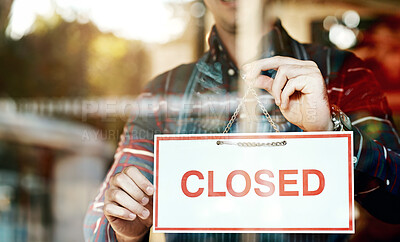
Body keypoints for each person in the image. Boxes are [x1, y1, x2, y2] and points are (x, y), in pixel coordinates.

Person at [84, 0, 400, 241]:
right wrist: (127, 228)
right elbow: (102, 221)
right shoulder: (164, 94)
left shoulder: (343, 72)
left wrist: (331, 131)